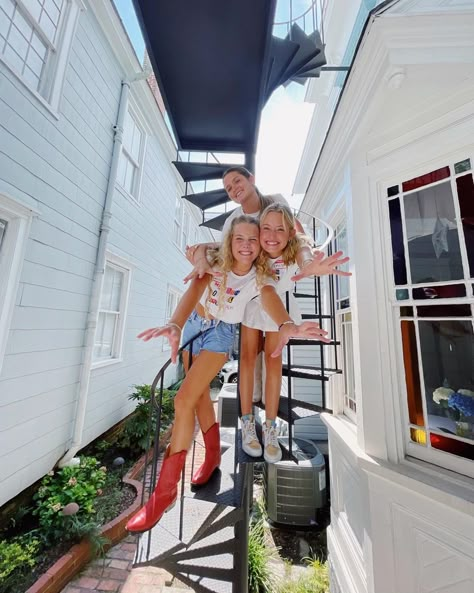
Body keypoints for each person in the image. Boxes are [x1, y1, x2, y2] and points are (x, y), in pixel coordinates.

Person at [125, 216, 329, 533]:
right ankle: (210, 458)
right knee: (197, 396)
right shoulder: (216, 262)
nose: (246, 245)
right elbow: (196, 287)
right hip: (194, 323)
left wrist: (287, 324)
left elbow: (273, 297)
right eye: (239, 239)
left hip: (219, 336)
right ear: (228, 241)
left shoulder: (261, 275)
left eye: (252, 239)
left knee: (182, 400)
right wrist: (176, 323)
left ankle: (163, 494)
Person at [239, 203, 351, 463]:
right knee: (246, 360)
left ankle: (269, 427)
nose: (272, 234)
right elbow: (260, 286)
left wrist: (310, 265)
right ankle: (247, 423)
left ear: (289, 232)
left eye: (280, 229)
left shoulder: (295, 247)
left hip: (280, 306)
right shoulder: (253, 250)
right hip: (252, 304)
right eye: (266, 227)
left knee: (274, 360)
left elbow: (303, 250)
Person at [184, 166, 303, 282]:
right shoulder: (232, 220)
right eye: (229, 188)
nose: (234, 188)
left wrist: (307, 252)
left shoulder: (276, 200)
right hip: (254, 278)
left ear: (251, 179)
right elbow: (226, 247)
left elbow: (295, 229)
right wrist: (203, 248)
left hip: (280, 270)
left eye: (237, 181)